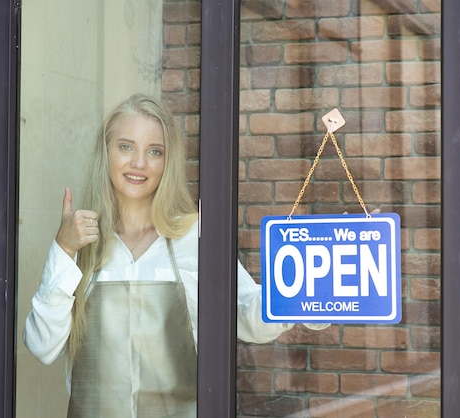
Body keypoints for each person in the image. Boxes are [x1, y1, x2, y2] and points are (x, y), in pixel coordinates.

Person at [23, 93, 329, 418]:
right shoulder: (80, 242)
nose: (139, 163)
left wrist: (305, 291)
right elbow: (42, 347)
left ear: (167, 162)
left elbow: (247, 315)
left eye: (154, 151)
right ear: (106, 152)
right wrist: (64, 249)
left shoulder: (194, 238)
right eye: (126, 146)